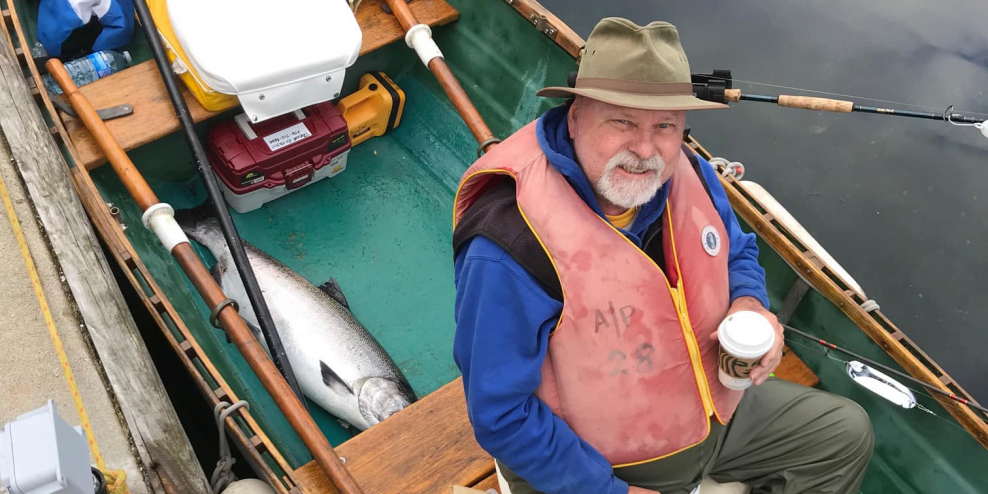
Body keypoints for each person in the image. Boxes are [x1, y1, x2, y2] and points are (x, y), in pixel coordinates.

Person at [450, 17, 874, 494]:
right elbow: (500, 414)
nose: (645, 149)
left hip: (714, 408)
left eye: (665, 126)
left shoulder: (689, 173)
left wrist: (751, 304)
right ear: (575, 116)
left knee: (843, 435)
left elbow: (738, 251)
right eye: (622, 121)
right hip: (603, 462)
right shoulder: (509, 239)